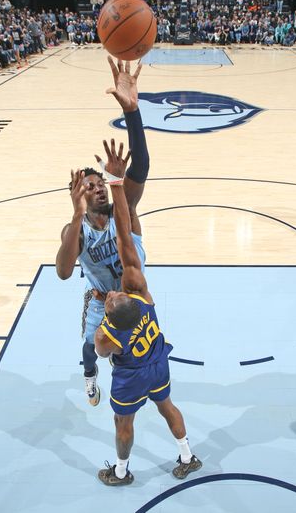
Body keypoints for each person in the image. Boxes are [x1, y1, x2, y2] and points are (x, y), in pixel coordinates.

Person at [91, 139, 201, 486]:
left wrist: (101, 328)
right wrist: (116, 183)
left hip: (133, 376)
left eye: (108, 300)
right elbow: (124, 234)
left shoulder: (107, 335)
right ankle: (187, 455)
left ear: (110, 317)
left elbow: (101, 350)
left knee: (123, 424)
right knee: (167, 406)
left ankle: (121, 472)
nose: (110, 293)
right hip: (157, 362)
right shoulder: (143, 296)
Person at [55, 58, 151, 406]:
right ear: (79, 194)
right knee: (91, 347)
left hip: (136, 295)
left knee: (129, 352)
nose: (97, 188)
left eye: (100, 183)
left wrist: (132, 112)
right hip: (100, 300)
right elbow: (64, 273)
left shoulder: (123, 211)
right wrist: (76, 214)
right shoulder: (76, 230)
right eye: (89, 186)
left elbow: (140, 166)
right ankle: (89, 375)